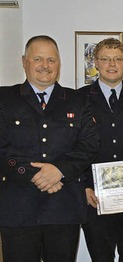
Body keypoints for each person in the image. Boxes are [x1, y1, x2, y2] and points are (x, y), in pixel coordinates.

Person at [0, 35, 99, 261]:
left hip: (63, 209)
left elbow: (90, 144)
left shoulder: (78, 100)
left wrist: (59, 171)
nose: (45, 65)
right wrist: (37, 175)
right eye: (38, 59)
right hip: (18, 210)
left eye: (51, 60)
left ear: (59, 64)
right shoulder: (4, 99)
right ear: (24, 62)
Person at [78, 38, 123, 262]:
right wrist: (84, 186)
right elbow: (73, 145)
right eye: (105, 59)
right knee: (101, 257)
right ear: (95, 63)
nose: (112, 64)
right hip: (95, 197)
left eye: (118, 59)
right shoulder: (79, 99)